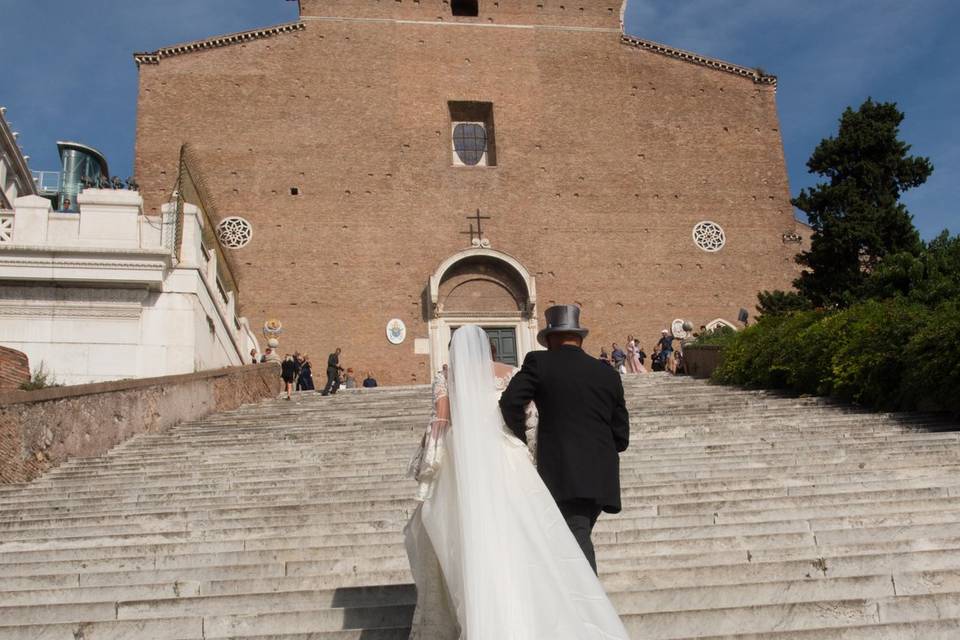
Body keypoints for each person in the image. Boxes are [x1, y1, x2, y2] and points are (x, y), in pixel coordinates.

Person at [404, 323, 628, 639]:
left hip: (463, 462)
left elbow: (440, 420)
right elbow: (526, 413)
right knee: (523, 536)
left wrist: (429, 465)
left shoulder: (447, 375)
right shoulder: (511, 371)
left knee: (471, 540)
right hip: (507, 458)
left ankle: (483, 612)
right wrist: (522, 444)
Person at [502, 305, 629, 572]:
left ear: (550, 338)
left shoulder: (539, 362)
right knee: (576, 532)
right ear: (579, 337)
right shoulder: (608, 373)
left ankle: (592, 606)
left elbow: (511, 402)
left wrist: (524, 439)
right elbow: (622, 435)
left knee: (575, 533)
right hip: (602, 471)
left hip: (562, 467)